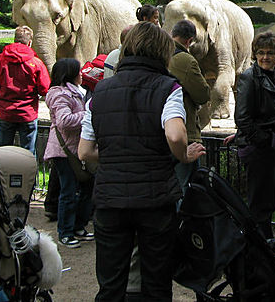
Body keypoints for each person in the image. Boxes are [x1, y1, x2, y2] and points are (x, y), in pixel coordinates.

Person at [78, 21, 205, 301]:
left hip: (110, 199)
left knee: (110, 284)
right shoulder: (167, 87)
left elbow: (84, 151)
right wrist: (183, 154)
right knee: (157, 282)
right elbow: (174, 134)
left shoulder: (100, 91)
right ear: (163, 51)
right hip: (155, 200)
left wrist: (115, 154)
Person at [232, 30, 275, 239]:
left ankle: (264, 244)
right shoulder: (250, 78)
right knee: (259, 202)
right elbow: (242, 117)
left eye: (269, 53)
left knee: (270, 199)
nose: (265, 57)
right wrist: (263, 140)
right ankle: (260, 247)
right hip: (260, 149)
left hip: (274, 148)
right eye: (260, 52)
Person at [43, 58, 94, 249]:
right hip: (63, 151)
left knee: (85, 187)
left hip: (74, 149)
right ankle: (65, 231)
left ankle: (78, 226)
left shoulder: (73, 93)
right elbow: (64, 121)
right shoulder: (60, 95)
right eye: (78, 71)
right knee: (69, 190)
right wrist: (88, 115)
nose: (82, 74)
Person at [0, 25, 50, 153]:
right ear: (30, 42)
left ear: (14, 39)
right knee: (28, 154)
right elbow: (45, 89)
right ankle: (28, 173)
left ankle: (1, 173)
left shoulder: (0, 60)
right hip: (27, 113)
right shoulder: (35, 63)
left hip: (6, 112)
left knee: (2, 153)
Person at [169, 19, 210, 192]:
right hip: (184, 132)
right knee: (185, 187)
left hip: (161, 132)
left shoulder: (160, 55)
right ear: (189, 40)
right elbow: (203, 95)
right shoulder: (185, 60)